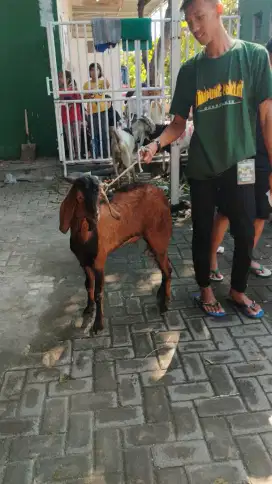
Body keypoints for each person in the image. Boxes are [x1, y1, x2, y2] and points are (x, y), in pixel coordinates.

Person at [140, 0, 272, 319]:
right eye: (188, 21)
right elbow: (177, 125)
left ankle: (238, 291)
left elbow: (267, 118)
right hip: (201, 169)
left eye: (199, 17)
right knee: (201, 233)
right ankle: (205, 291)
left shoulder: (254, 56)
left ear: (218, 9)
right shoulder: (190, 71)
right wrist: (156, 144)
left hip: (241, 163)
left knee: (244, 231)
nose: (195, 27)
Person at [210, 38, 272, 282]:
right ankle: (211, 259)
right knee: (228, 210)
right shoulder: (251, 79)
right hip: (244, 159)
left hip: (265, 162)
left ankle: (246, 259)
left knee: (260, 213)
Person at [83, 63, 110, 159]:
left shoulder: (102, 82)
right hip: (91, 112)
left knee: (104, 132)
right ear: (89, 72)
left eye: (96, 70)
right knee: (94, 134)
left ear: (99, 71)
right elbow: (84, 97)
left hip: (102, 110)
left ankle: (106, 155)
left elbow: (108, 85)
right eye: (92, 70)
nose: (94, 72)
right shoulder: (87, 84)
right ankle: (95, 154)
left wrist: (103, 76)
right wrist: (89, 94)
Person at [59, 70, 83, 159]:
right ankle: (72, 155)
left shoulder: (74, 88)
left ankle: (78, 155)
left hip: (76, 116)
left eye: (61, 77)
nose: (59, 79)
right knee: (69, 137)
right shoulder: (60, 89)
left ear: (68, 79)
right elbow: (60, 99)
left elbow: (79, 99)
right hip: (65, 117)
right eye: (59, 77)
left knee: (77, 136)